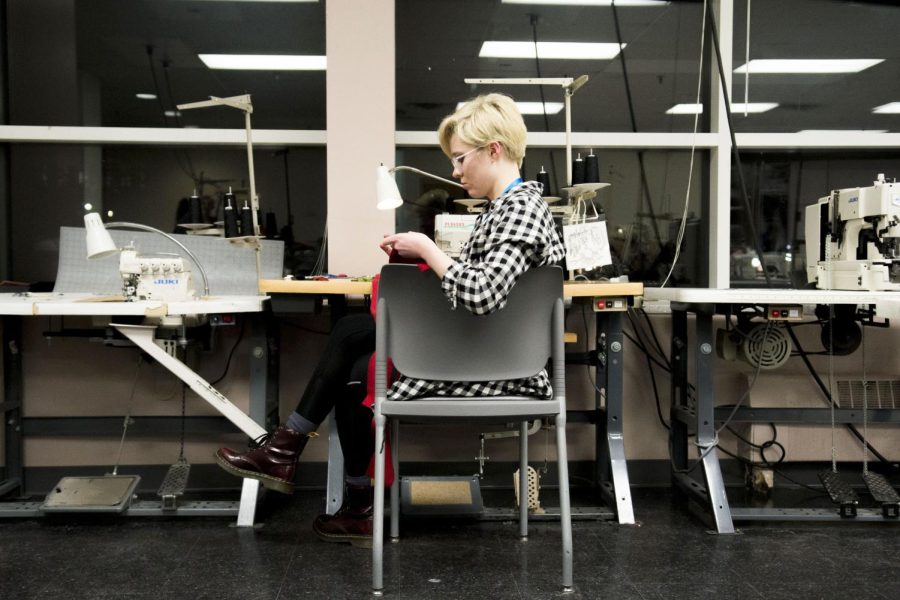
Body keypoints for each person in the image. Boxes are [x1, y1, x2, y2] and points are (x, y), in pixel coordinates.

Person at [215, 92, 566, 545]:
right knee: (358, 362)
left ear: (494, 149)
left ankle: (296, 455)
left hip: (498, 371)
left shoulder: (520, 211)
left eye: (460, 159)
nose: (455, 172)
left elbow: (480, 294)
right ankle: (313, 469)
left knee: (354, 349)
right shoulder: (507, 211)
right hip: (482, 355)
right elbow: (480, 286)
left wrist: (426, 248)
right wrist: (423, 257)